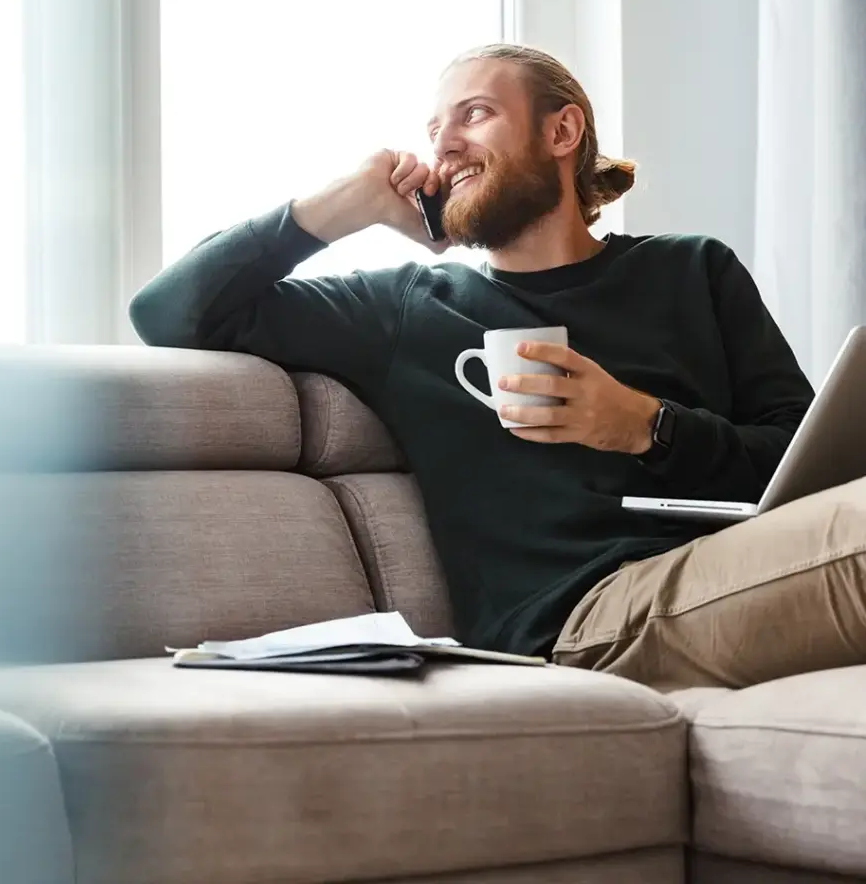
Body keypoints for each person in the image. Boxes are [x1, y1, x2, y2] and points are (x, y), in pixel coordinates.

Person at [130, 43, 863, 692]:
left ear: (561, 131)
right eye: (433, 129)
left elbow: (807, 463)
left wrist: (648, 427)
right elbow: (170, 313)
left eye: (473, 114)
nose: (443, 144)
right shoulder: (409, 308)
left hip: (744, 566)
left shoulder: (693, 270)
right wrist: (342, 206)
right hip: (581, 621)